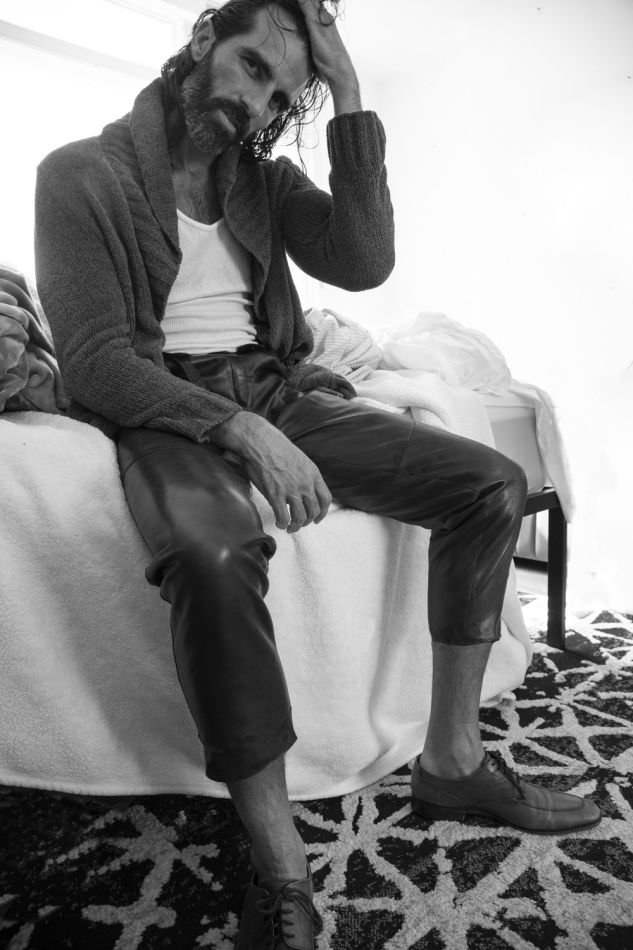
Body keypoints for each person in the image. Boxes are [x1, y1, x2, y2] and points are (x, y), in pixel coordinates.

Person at [34, 1, 601, 947]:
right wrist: (239, 431)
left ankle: (451, 761)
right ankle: (282, 871)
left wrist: (348, 91)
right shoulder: (79, 173)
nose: (256, 104)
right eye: (252, 67)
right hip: (164, 404)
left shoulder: (262, 180)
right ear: (204, 39)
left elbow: (365, 263)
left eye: (278, 95)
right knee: (214, 554)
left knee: (491, 485)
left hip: (275, 383)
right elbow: (94, 363)